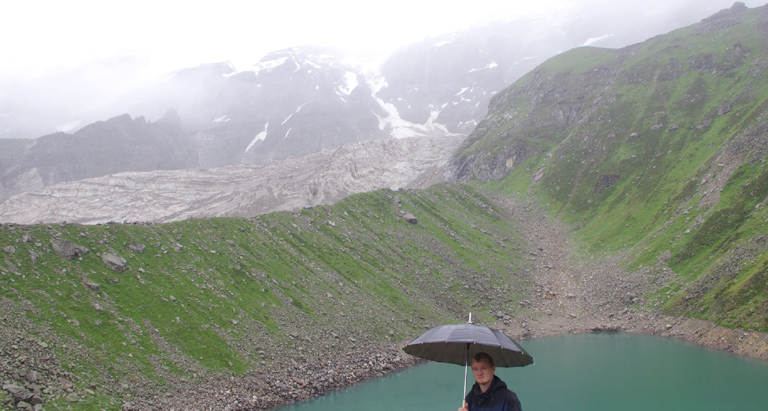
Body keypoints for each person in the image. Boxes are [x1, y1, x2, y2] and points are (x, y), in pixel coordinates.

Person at [458, 352, 522, 411]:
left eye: (483, 368)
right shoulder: (470, 398)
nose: (479, 373)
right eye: (475, 369)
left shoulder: (509, 398)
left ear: (493, 369)